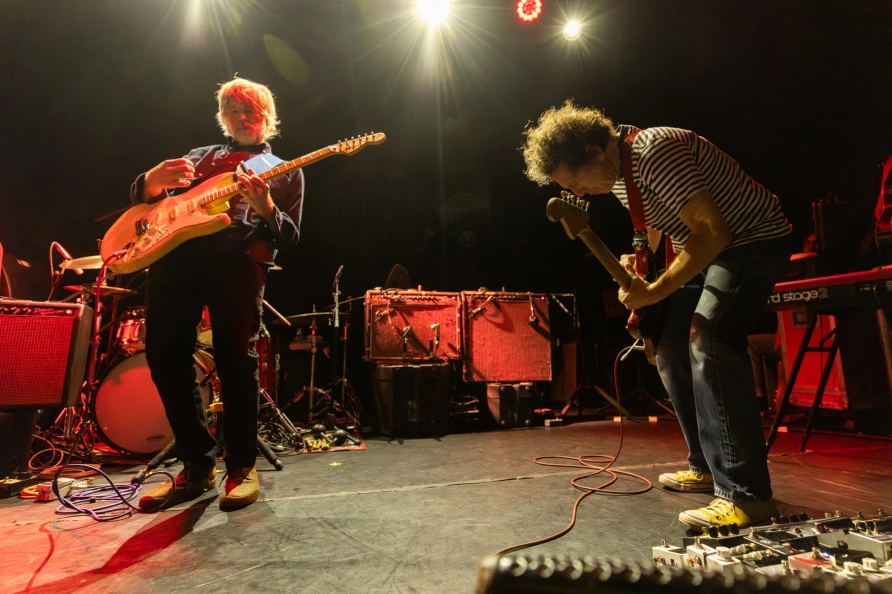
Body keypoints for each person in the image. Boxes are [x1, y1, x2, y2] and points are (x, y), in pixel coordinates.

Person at [522, 101, 792, 528]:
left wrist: (655, 289)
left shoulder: (653, 150)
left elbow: (712, 230)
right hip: (712, 250)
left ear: (594, 152)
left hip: (751, 242)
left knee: (711, 337)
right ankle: (706, 466)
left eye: (574, 181)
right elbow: (655, 218)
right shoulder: (617, 171)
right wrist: (639, 258)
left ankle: (748, 495)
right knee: (667, 344)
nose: (576, 194)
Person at [132, 77, 304, 511]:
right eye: (234, 111)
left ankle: (241, 468)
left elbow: (290, 235)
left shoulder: (286, 168)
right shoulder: (196, 157)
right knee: (163, 355)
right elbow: (153, 209)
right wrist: (149, 182)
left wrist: (266, 208)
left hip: (238, 263)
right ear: (223, 117)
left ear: (268, 117)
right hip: (175, 261)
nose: (243, 118)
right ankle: (197, 465)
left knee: (235, 360)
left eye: (252, 111)